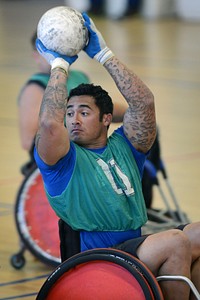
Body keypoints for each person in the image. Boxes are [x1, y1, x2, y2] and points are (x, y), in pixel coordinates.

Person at [34, 13, 200, 300]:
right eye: (70, 113)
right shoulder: (62, 163)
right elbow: (50, 124)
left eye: (84, 112)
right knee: (175, 241)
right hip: (96, 259)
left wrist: (104, 54)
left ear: (106, 119)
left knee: (197, 233)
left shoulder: (124, 147)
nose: (73, 119)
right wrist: (59, 65)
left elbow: (144, 103)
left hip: (134, 247)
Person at [17, 30, 126, 175]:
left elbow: (100, 107)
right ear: (36, 56)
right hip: (62, 161)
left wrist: (133, 115)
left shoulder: (78, 76)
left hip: (87, 151)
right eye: (49, 52)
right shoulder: (35, 87)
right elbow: (29, 141)